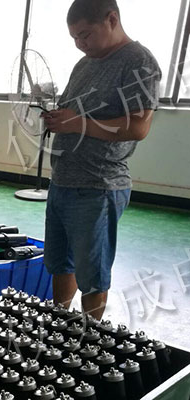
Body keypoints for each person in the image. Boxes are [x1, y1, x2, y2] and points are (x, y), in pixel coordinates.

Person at [42, 0, 161, 319]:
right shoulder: (84, 64)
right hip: (62, 181)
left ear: (111, 19)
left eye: (85, 35)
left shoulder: (139, 63)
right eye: (74, 38)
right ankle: (59, 323)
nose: (80, 44)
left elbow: (138, 126)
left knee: (92, 275)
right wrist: (58, 119)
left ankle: (88, 337)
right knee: (60, 263)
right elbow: (73, 112)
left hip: (97, 186)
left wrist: (77, 124)